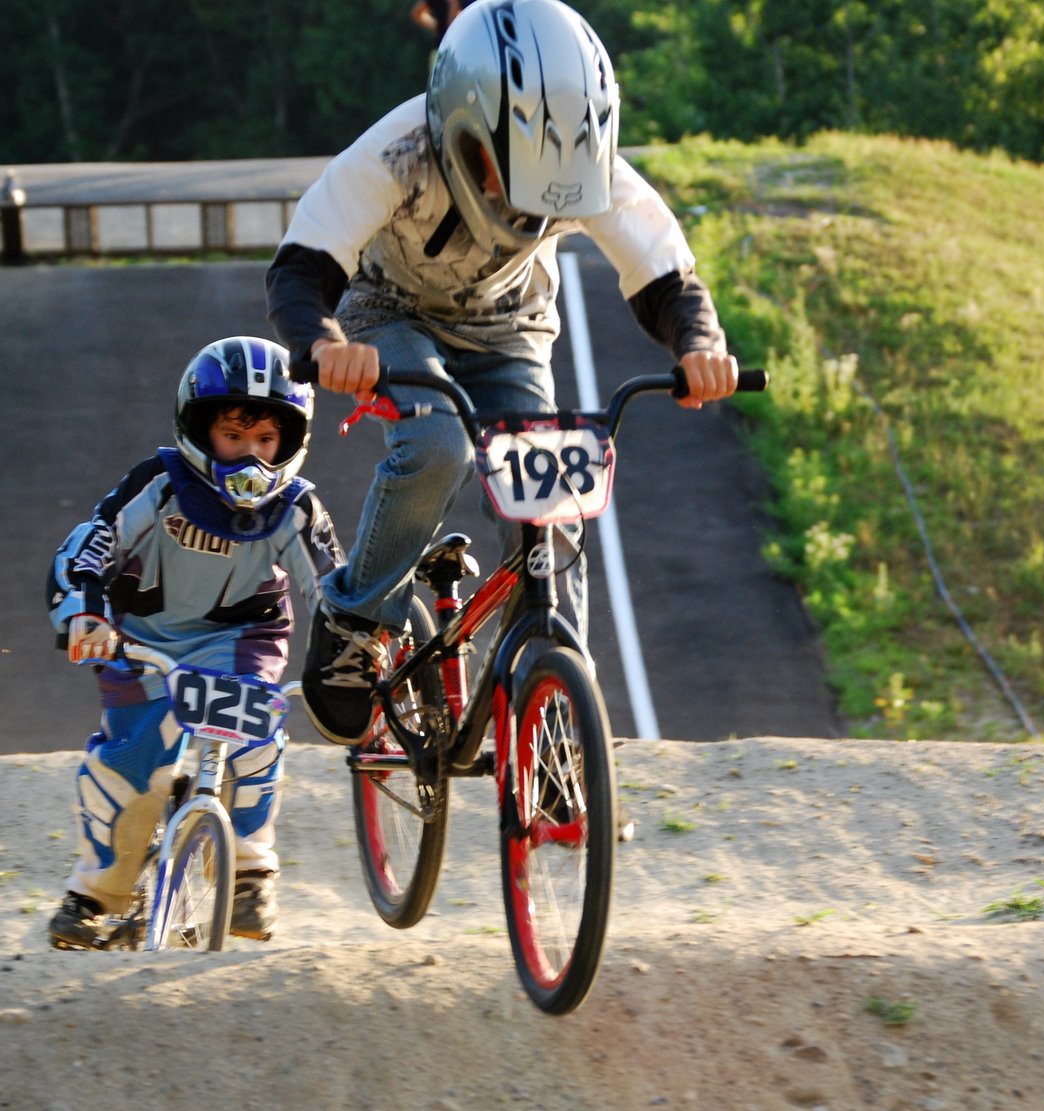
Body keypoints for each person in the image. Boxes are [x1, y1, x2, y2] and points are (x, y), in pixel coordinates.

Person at [266, 0, 740, 746]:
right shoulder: (398, 152)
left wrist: (698, 345)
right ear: (458, 129)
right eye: (513, 173)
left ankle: (554, 720)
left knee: (553, 500)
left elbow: (663, 273)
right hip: (391, 317)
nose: (532, 200)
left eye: (559, 181)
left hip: (511, 331)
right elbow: (301, 267)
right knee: (439, 448)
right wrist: (325, 344)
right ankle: (357, 616)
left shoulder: (589, 161)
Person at [44, 337, 343, 947]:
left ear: (291, 440)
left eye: (266, 441)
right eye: (234, 437)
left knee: (254, 734)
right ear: (197, 428)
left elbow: (332, 584)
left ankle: (249, 875)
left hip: (241, 640)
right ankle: (97, 891)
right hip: (140, 641)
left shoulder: (295, 506)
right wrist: (83, 614)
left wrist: (356, 643)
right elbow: (88, 548)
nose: (251, 457)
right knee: (132, 763)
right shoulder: (158, 484)